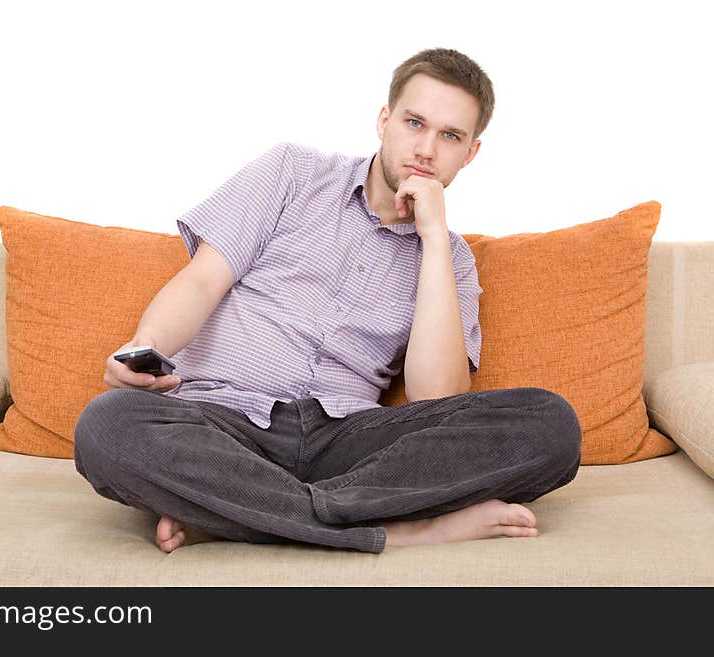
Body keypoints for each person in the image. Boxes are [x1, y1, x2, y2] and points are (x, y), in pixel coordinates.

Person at [73, 47, 582, 554]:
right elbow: (202, 280)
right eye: (414, 122)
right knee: (108, 425)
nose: (426, 149)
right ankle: (395, 530)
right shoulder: (291, 173)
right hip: (224, 425)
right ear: (384, 121)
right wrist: (145, 345)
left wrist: (433, 240)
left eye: (450, 136)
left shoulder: (454, 261)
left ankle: (233, 515)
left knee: (551, 425)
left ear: (469, 153)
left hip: (348, 442)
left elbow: (437, 400)